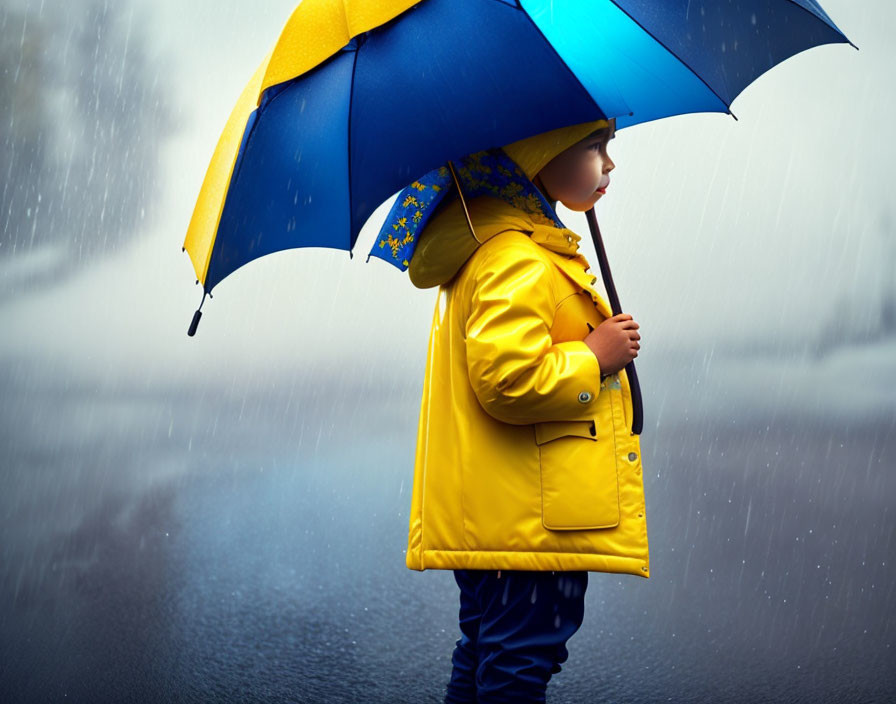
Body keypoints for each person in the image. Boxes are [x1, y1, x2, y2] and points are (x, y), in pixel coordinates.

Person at [399, 117, 649, 703]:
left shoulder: (505, 246)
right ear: (535, 156)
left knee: (489, 649)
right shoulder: (516, 257)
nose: (608, 164)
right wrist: (595, 357)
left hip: (503, 511)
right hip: (528, 517)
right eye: (593, 147)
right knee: (519, 662)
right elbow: (506, 380)